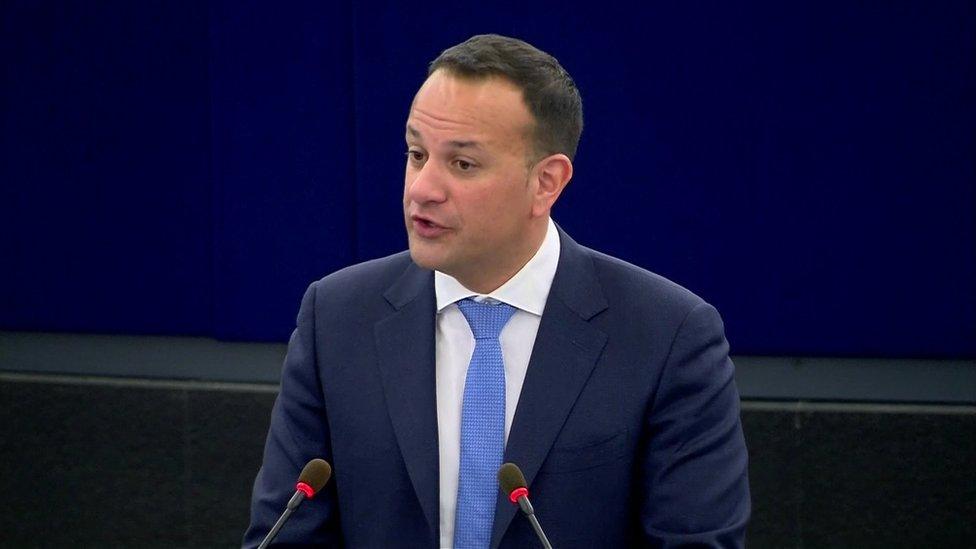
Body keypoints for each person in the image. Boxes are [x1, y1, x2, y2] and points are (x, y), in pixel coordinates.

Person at [244, 34, 750, 548]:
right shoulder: (335, 318)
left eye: (462, 164)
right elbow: (287, 535)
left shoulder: (667, 337)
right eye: (417, 154)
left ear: (546, 183)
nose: (422, 189)